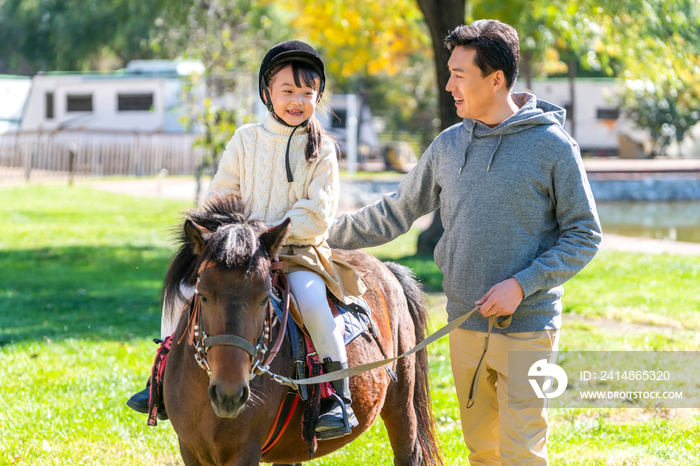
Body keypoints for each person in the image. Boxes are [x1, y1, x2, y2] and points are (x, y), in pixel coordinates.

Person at [327, 20, 602, 465]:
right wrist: (317, 235)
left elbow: (584, 234)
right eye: (450, 71)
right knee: (482, 451)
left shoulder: (553, 146)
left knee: (523, 453)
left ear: (496, 79)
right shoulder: (448, 145)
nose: (449, 84)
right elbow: (394, 212)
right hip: (464, 325)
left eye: (460, 74)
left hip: (528, 326)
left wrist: (522, 285)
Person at [128, 40, 365, 440]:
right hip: (239, 256)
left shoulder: (321, 148)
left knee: (311, 303)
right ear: (267, 92)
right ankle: (163, 375)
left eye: (308, 93)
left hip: (298, 254)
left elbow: (318, 213)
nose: (298, 100)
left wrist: (263, 235)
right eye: (288, 91)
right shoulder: (245, 139)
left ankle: (334, 396)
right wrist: (238, 240)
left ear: (318, 97)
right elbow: (221, 197)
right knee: (184, 288)